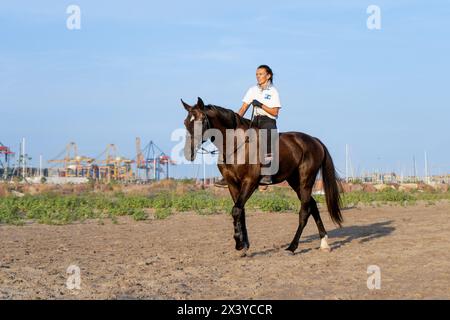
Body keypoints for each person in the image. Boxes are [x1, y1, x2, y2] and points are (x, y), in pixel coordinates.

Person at [215, 64, 281, 187]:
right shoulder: (252, 90)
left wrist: (261, 105)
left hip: (268, 121)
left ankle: (267, 173)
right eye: (257, 74)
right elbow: (244, 107)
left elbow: (275, 112)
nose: (258, 76)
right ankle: (227, 173)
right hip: (254, 120)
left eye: (261, 74)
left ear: (268, 76)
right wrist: (235, 120)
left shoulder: (273, 92)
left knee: (268, 137)